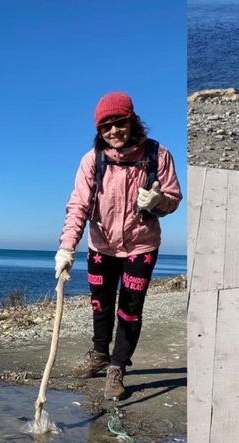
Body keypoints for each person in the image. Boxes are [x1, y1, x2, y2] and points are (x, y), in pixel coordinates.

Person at [56, 91, 182, 402]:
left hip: (141, 246)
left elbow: (173, 199)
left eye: (119, 123)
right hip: (101, 246)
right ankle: (100, 353)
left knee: (130, 310)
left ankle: (117, 366)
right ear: (99, 130)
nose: (113, 131)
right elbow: (78, 207)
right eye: (106, 126)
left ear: (132, 121)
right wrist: (67, 249)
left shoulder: (157, 155)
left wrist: (159, 201)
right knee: (100, 305)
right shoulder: (92, 161)